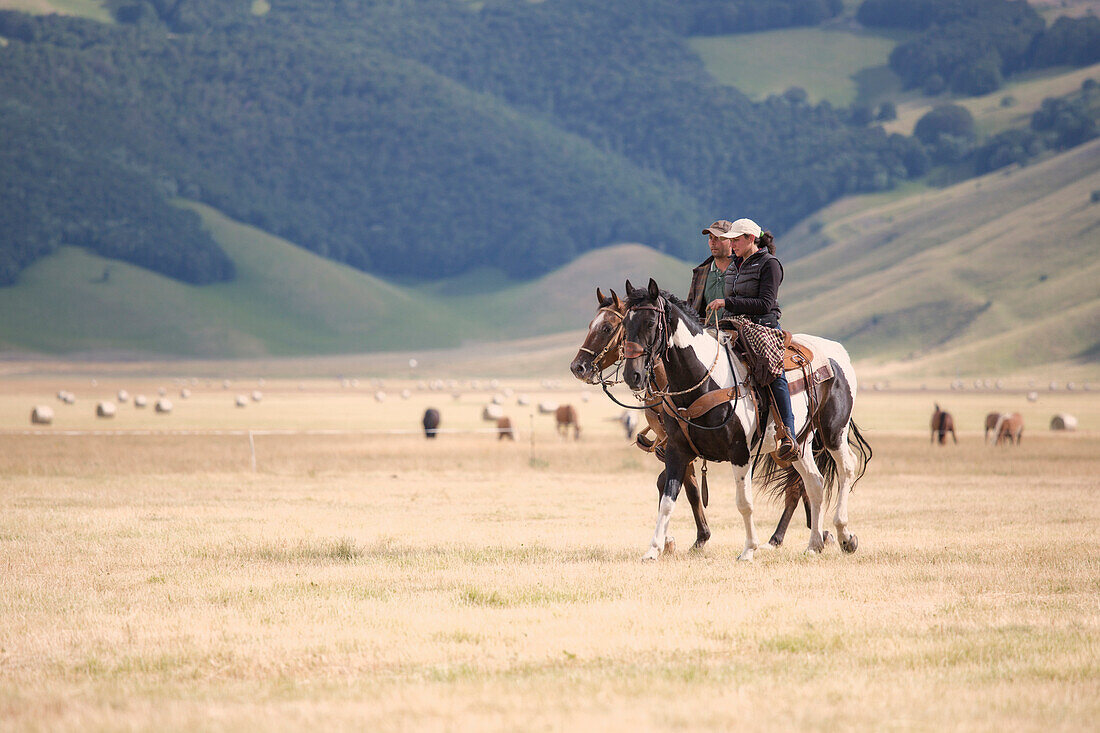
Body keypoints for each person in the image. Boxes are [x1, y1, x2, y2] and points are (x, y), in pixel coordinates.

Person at [693, 218, 797, 461]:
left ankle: (787, 433)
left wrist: (727, 303)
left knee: (772, 370)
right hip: (734, 325)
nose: (733, 244)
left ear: (751, 239)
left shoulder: (770, 264)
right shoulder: (735, 265)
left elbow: (765, 304)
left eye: (736, 240)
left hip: (762, 326)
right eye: (731, 240)